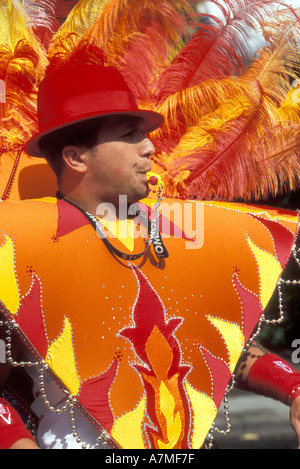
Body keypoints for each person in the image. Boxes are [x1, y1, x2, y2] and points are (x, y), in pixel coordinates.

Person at [0, 62, 300, 450]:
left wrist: (294, 388)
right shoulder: (16, 247)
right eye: (130, 134)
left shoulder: (178, 233)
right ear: (76, 158)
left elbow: (220, 347)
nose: (150, 146)